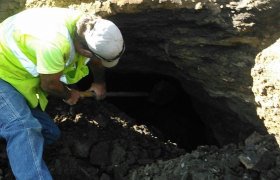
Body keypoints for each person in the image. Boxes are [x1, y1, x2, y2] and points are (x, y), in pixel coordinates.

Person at [0, 7, 125, 179]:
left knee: (51, 134)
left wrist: (99, 82)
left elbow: (97, 61)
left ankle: (14, 150)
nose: (98, 61)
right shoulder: (53, 42)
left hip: (19, 78)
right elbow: (49, 84)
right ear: (86, 50)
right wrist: (68, 94)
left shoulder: (90, 28)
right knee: (23, 127)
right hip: (3, 75)